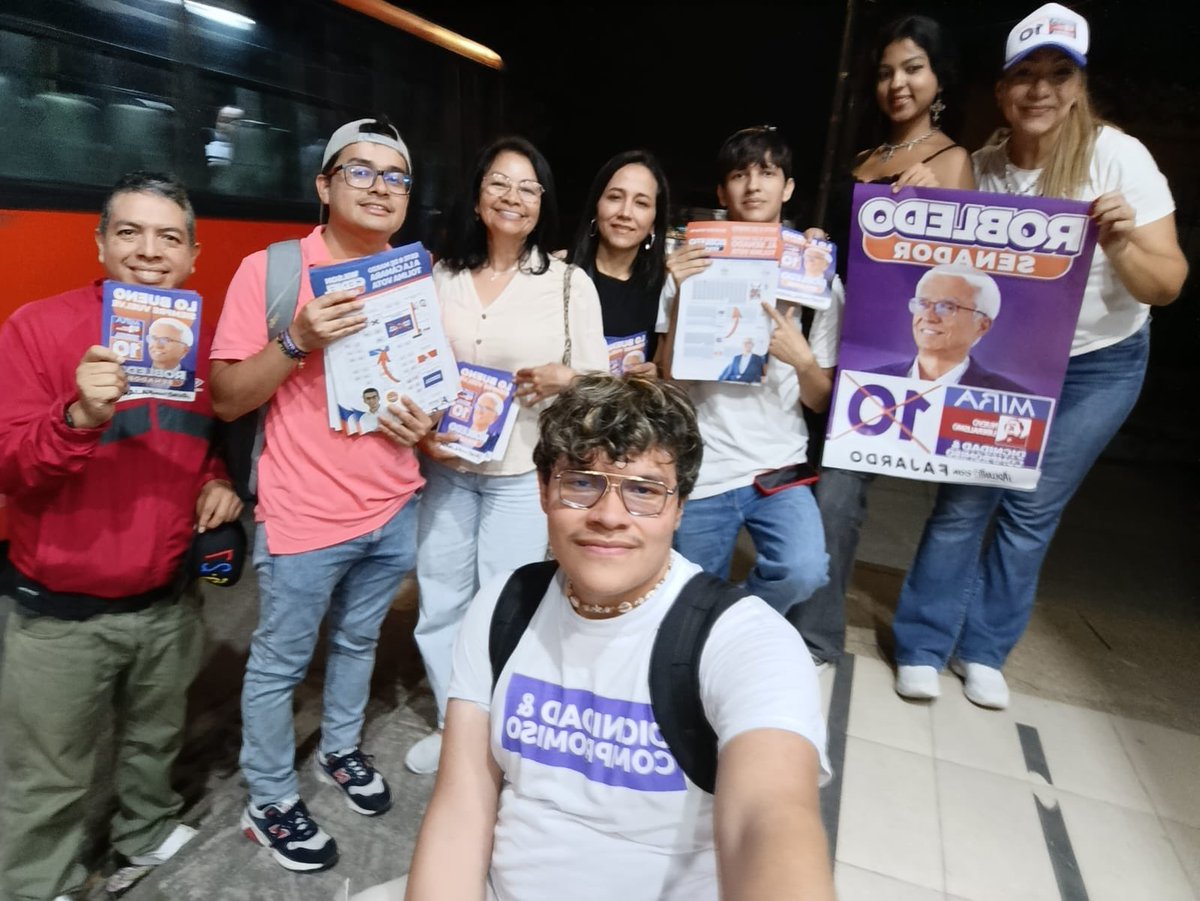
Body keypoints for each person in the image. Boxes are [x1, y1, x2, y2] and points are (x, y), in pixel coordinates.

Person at [404, 374, 835, 901]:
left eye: (645, 491)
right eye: (582, 482)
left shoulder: (745, 640)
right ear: (543, 492)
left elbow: (767, 820)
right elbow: (461, 809)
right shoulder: (505, 606)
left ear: (680, 509)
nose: (609, 516)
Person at [891, 2, 1187, 708]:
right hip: (1016, 364)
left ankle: (986, 649)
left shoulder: (1119, 156)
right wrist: (919, 204)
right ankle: (923, 643)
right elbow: (931, 260)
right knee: (963, 501)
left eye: (1059, 73)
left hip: (1099, 363)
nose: (1041, 89)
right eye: (1025, 74)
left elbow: (1167, 283)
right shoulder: (983, 169)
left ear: (1080, 87)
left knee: (1030, 511)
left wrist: (1120, 241)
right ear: (1001, 91)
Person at [0, 171, 243, 901]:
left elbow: (196, 443)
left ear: (193, 255)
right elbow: (9, 463)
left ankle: (144, 829)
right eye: (129, 231)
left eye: (169, 236)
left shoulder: (193, 345)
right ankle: (37, 882)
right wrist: (76, 417)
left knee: (152, 739)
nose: (148, 250)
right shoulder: (38, 328)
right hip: (59, 610)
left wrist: (216, 481)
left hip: (167, 601)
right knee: (48, 773)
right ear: (101, 242)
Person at [210, 117, 434, 872]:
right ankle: (270, 794)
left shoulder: (411, 273)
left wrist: (423, 419)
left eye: (394, 176)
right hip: (304, 512)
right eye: (360, 172)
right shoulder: (271, 271)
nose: (379, 188)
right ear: (325, 184)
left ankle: (341, 749)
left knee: (358, 641)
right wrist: (299, 338)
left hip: (394, 502)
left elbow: (426, 387)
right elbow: (229, 397)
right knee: (277, 664)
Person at [405, 137, 608, 775]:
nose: (512, 198)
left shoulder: (569, 283)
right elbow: (413, 364)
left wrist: (563, 379)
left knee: (505, 604)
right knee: (439, 601)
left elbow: (600, 380)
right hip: (446, 468)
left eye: (527, 187)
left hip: (520, 472)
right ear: (478, 194)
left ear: (542, 203)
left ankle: (500, 732)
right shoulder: (442, 277)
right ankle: (452, 724)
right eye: (499, 183)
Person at [790, 14, 977, 670]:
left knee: (840, 490)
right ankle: (799, 600)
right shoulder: (866, 157)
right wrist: (815, 241)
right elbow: (846, 246)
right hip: (833, 334)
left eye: (912, 68)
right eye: (886, 71)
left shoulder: (952, 160)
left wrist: (935, 208)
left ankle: (815, 636)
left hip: (889, 355)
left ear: (938, 77)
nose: (897, 83)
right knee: (812, 477)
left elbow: (956, 267)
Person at [661, 125, 839, 616]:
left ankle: (735, 621)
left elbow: (822, 400)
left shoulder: (816, 279)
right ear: (722, 191)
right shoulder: (690, 266)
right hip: (705, 463)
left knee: (804, 570)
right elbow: (669, 381)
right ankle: (706, 645)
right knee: (686, 597)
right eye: (739, 174)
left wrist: (801, 359)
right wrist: (679, 300)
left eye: (767, 172)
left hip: (777, 465)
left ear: (788, 188)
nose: (753, 185)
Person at [568, 149, 669, 375]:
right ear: (597, 205)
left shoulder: (662, 287)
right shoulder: (560, 275)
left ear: (654, 222)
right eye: (615, 197)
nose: (625, 212)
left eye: (641, 203)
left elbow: (665, 369)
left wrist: (654, 374)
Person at [869, 263, 1030, 392]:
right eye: (923, 304)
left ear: (982, 325)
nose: (929, 317)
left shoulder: (1012, 397)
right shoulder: (868, 382)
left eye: (947, 307)